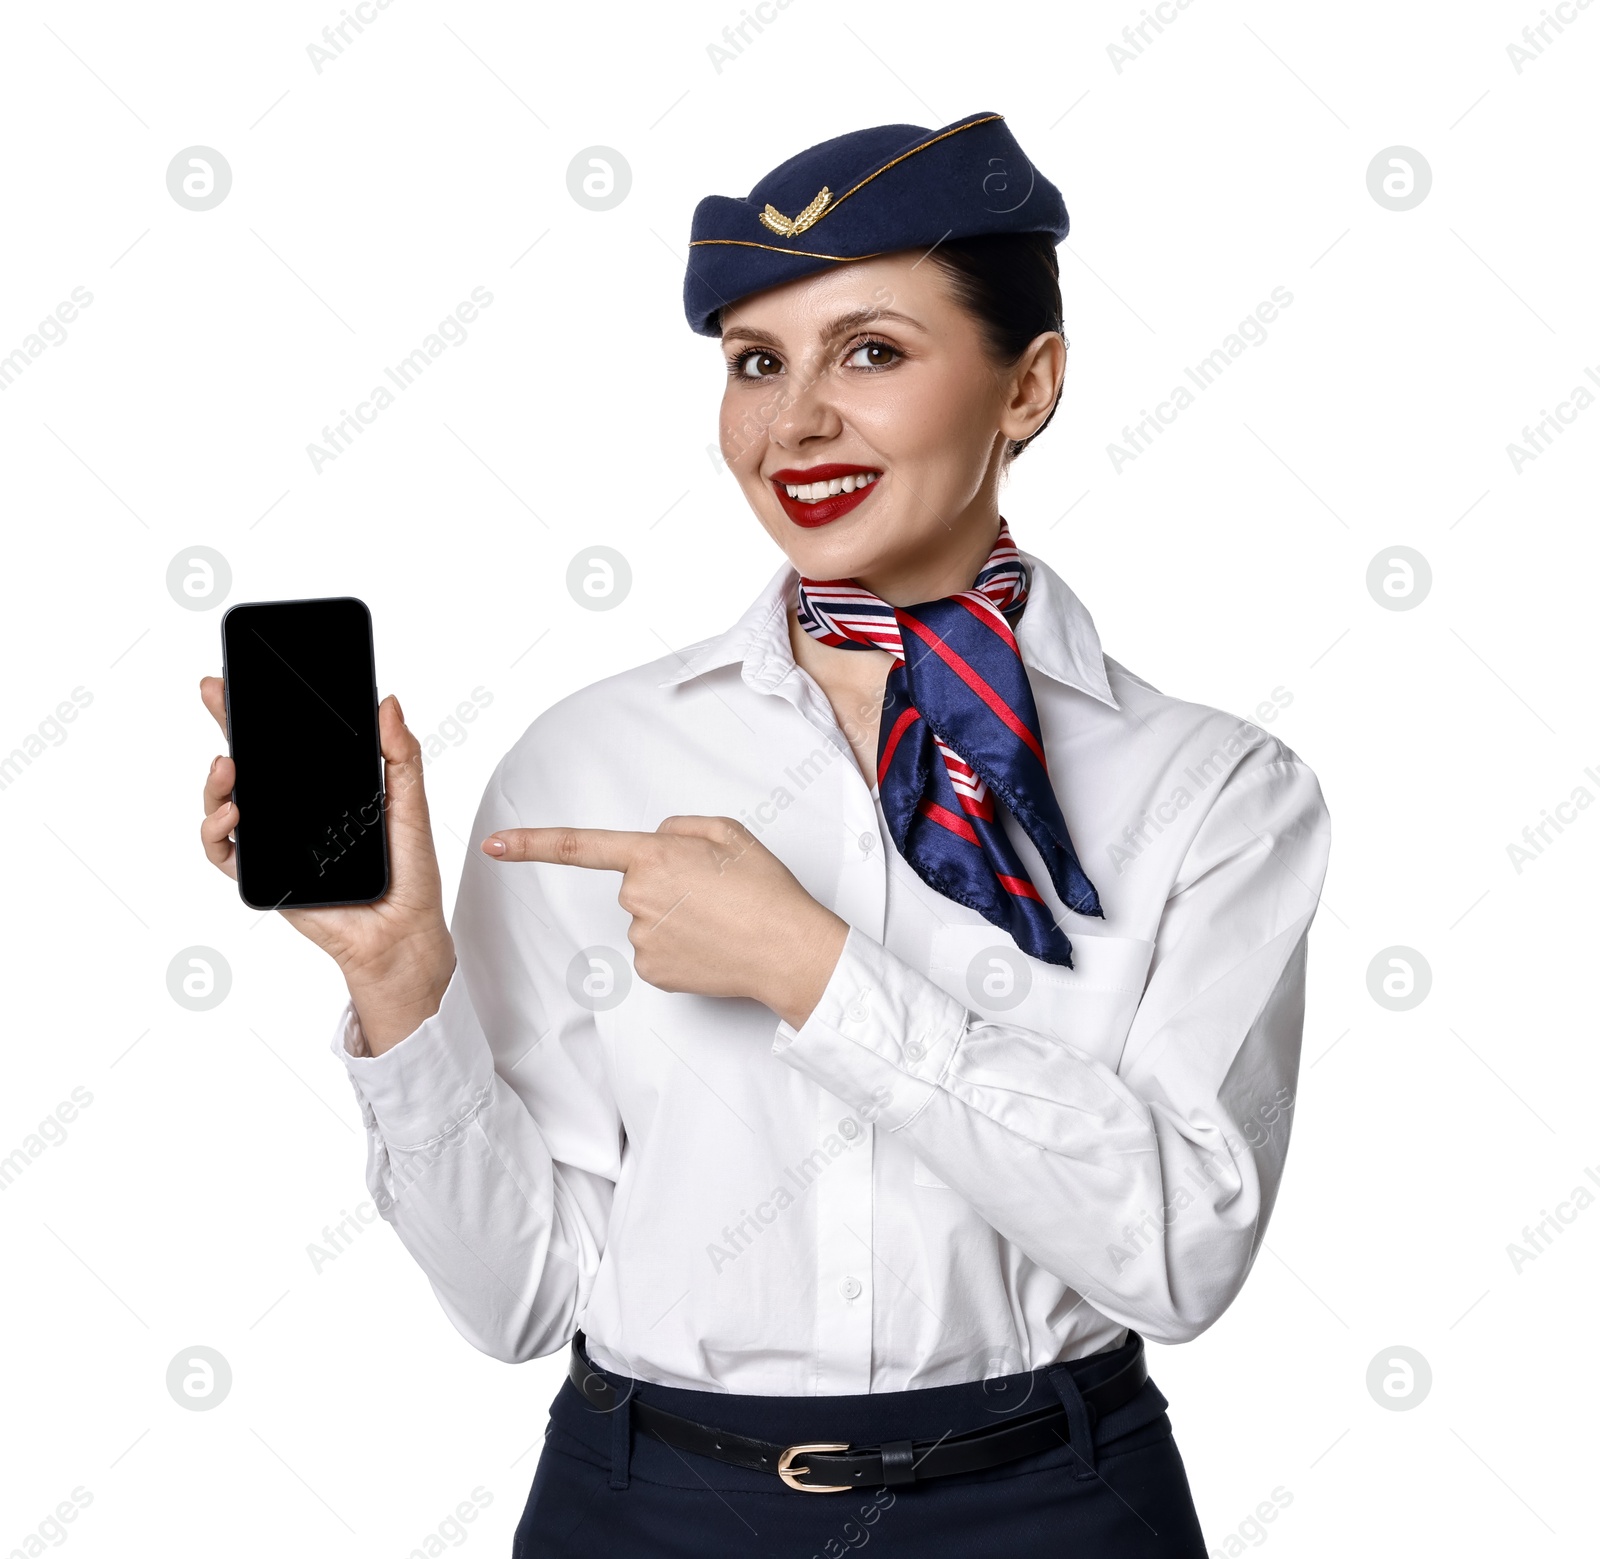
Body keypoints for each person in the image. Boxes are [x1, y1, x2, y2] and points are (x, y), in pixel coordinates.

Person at [196, 110, 1331, 1558]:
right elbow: (521, 1301)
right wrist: (401, 975)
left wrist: (814, 969)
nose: (792, 424)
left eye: (870, 352)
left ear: (1028, 384)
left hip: (1049, 1505)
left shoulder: (1216, 792)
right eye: (755, 363)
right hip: (649, 1504)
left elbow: (1180, 1256)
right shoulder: (590, 761)